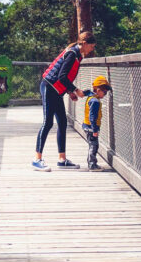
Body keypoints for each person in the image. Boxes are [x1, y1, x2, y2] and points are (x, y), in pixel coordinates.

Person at [32, 30, 97, 171]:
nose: (92, 49)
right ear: (85, 43)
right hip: (49, 87)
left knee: (62, 122)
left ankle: (62, 160)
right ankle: (37, 159)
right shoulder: (72, 54)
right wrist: (75, 90)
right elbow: (62, 77)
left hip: (57, 91)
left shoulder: (78, 55)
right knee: (48, 123)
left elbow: (64, 77)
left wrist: (69, 91)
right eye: (92, 46)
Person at [82, 74, 111, 170]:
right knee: (93, 146)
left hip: (88, 126)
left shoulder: (92, 97)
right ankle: (92, 165)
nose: (105, 94)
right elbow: (92, 117)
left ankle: (92, 163)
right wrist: (94, 130)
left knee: (93, 145)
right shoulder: (95, 101)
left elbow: (87, 92)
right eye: (104, 92)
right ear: (98, 90)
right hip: (91, 127)